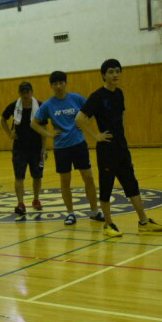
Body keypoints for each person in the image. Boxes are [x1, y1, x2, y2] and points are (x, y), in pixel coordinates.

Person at [74, 58, 162, 237]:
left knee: (131, 184)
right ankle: (108, 224)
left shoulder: (120, 93)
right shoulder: (97, 96)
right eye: (111, 72)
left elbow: (121, 117)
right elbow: (79, 119)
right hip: (106, 149)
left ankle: (144, 221)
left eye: (117, 71)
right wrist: (96, 137)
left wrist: (122, 138)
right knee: (106, 186)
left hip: (121, 148)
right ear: (103, 76)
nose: (115, 75)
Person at [31, 70, 104, 226]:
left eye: (61, 82)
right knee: (65, 181)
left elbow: (93, 110)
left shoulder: (76, 98)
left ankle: (95, 211)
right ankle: (70, 213)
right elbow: (34, 123)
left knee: (89, 177)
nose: (58, 86)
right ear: (51, 86)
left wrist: (86, 123)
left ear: (66, 83)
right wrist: (49, 134)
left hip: (79, 144)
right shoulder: (48, 105)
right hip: (61, 148)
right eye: (55, 84)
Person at [1, 81, 45, 215]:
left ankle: (36, 200)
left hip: (36, 148)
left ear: (32, 92)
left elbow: (43, 128)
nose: (25, 94)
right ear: (19, 93)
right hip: (19, 148)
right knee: (19, 176)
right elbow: (2, 119)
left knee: (37, 176)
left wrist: (44, 148)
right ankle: (20, 203)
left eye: (28, 91)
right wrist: (9, 133)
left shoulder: (40, 106)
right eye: (23, 92)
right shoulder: (14, 106)